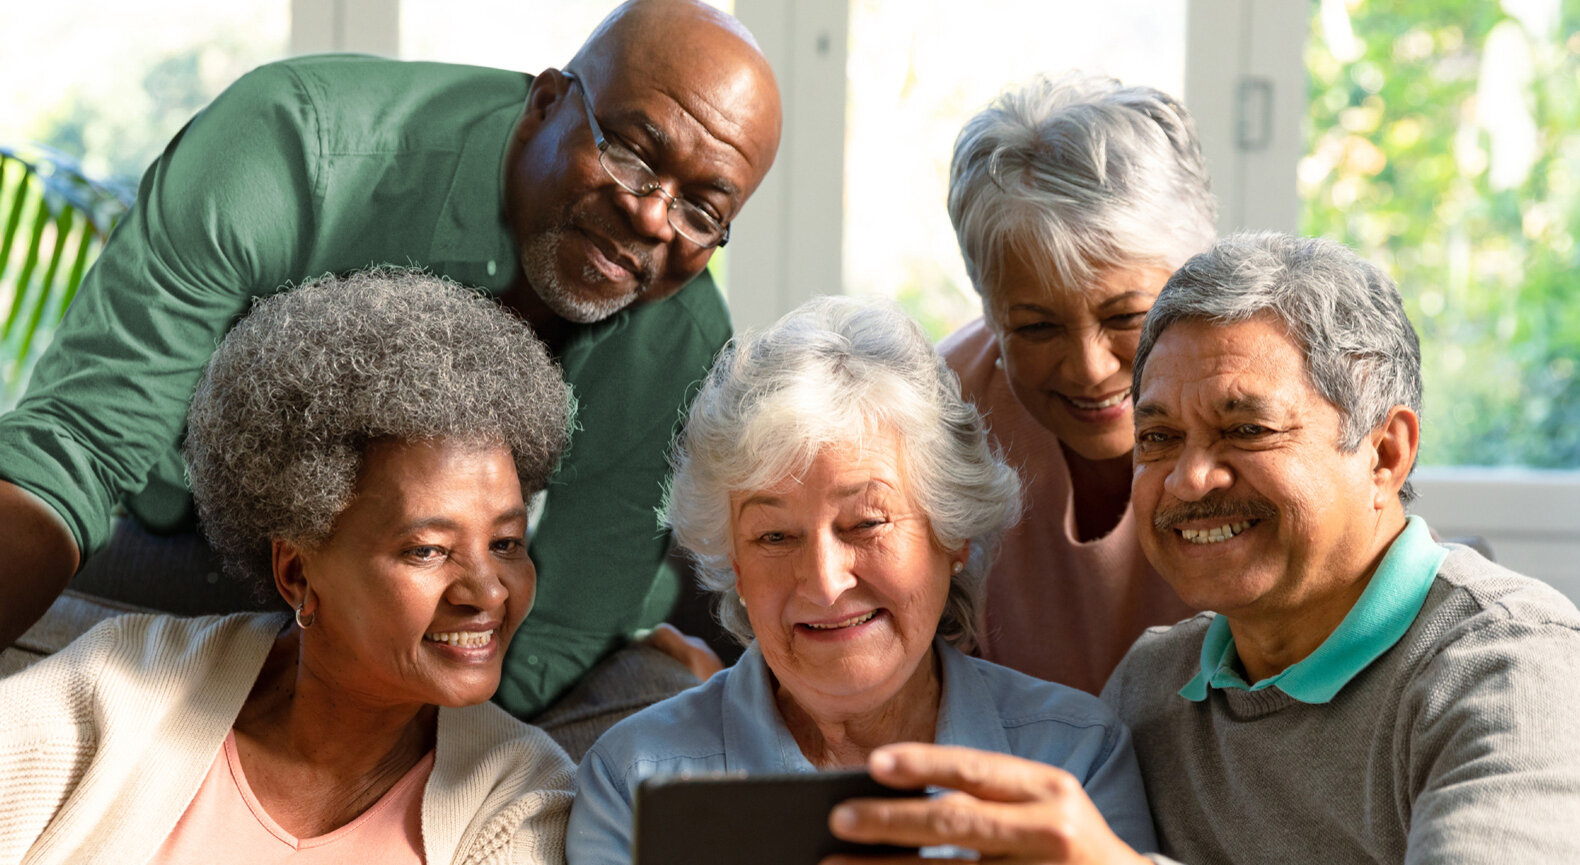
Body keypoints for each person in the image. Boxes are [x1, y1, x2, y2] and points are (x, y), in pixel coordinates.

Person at [0, 0, 781, 750]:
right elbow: (79, 447)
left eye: (703, 211)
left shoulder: (676, 343)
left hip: (439, 632)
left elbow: (565, 624)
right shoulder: (290, 147)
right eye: (631, 154)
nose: (652, 217)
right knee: (32, 691)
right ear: (546, 103)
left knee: (660, 720)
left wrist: (360, 745)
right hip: (182, 547)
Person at [822, 233, 1580, 864]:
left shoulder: (1514, 667)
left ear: (1385, 453)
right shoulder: (1152, 686)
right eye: (1157, 438)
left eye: (1245, 430)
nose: (1189, 478)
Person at [0, 268, 578, 865]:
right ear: (297, 574)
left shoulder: (521, 806)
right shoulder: (120, 689)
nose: (487, 590)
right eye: (427, 550)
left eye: (506, 543)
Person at [567, 297, 1157, 863]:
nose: (823, 583)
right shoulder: (634, 779)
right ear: (735, 566)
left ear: (951, 535)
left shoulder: (1073, 757)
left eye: (866, 523)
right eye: (774, 536)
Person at [938, 73, 1215, 693]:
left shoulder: (1277, 395)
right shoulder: (935, 413)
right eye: (1036, 328)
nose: (1089, 369)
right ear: (990, 313)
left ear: (1196, 279)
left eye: (1125, 317)